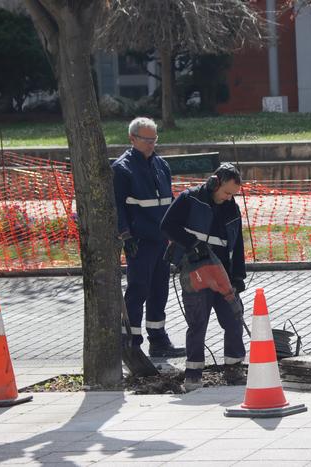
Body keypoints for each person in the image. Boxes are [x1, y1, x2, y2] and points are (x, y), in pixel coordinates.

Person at [161, 163, 247, 391]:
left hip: (223, 275)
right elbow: (167, 225)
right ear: (214, 183)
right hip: (195, 273)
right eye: (226, 192)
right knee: (198, 323)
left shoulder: (231, 208)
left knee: (234, 318)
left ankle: (234, 368)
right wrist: (192, 245)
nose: (229, 198)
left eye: (233, 194)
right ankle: (193, 374)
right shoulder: (190, 199)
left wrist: (238, 278)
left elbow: (237, 245)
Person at [112, 117, 185, 358]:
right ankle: (131, 343)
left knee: (159, 290)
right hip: (140, 242)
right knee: (138, 290)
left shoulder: (161, 165)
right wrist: (126, 236)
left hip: (162, 240)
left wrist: (174, 236)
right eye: (146, 140)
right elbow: (117, 206)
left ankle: (159, 340)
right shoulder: (122, 169)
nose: (151, 144)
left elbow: (170, 204)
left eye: (154, 139)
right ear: (132, 139)